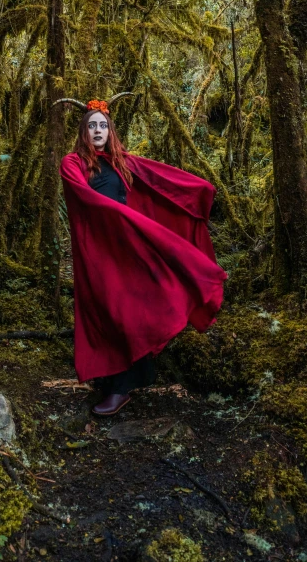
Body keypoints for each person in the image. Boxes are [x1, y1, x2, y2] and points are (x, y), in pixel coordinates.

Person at [57, 94, 227, 416]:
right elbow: (83, 199)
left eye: (102, 126)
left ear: (110, 131)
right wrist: (127, 220)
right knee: (108, 308)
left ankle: (123, 387)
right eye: (91, 126)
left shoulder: (122, 161)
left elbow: (160, 181)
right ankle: (111, 381)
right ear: (83, 131)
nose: (97, 131)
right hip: (99, 248)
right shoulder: (73, 163)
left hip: (127, 245)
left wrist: (196, 192)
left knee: (131, 307)